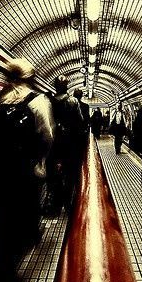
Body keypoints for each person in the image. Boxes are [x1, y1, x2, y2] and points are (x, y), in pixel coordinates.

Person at [0, 58, 54, 282]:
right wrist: (40, 162)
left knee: (2, 225)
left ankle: (0, 276)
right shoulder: (37, 101)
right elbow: (46, 136)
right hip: (24, 174)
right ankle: (6, 277)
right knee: (20, 223)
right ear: (30, 78)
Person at [46, 75, 84, 214]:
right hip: (69, 144)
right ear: (67, 86)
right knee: (70, 176)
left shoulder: (48, 101)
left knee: (53, 175)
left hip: (52, 144)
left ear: (55, 86)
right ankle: (68, 205)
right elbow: (80, 123)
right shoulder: (73, 101)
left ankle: (55, 205)